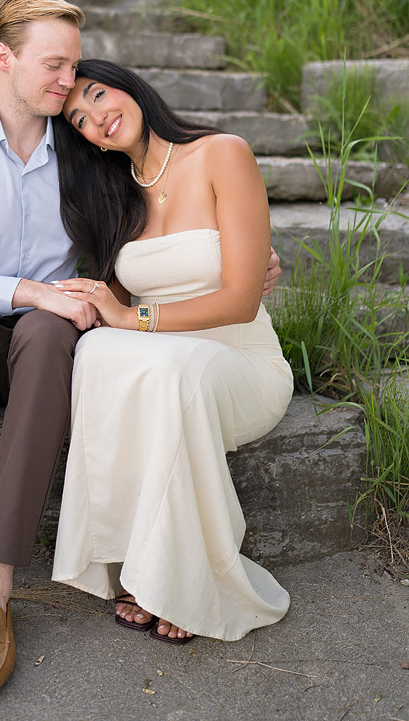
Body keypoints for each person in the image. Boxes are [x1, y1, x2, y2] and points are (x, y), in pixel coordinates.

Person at [0, 0, 282, 696]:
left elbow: (145, 250)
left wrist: (242, 268)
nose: (72, 88)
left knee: (49, 332)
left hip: (57, 349)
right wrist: (29, 290)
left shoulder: (88, 155)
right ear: (4, 59)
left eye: (79, 71)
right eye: (57, 67)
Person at [49, 58, 294, 645]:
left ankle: (183, 580)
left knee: (165, 364)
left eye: (99, 95)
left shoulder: (221, 153)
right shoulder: (116, 196)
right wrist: (101, 302)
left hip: (239, 364)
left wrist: (133, 316)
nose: (96, 118)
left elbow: (238, 300)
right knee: (101, 351)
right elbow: (121, 298)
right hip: (168, 366)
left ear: (131, 87)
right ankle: (140, 562)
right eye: (80, 119)